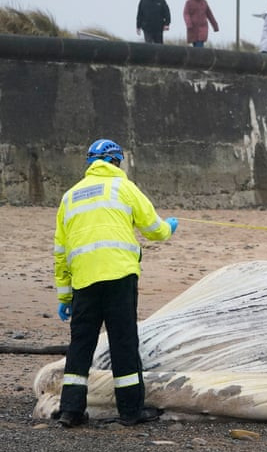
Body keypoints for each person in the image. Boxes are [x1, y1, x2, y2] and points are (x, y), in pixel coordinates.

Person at [53, 139, 179, 427]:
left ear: (91, 163)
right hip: (119, 277)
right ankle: (131, 411)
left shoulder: (70, 197)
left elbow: (60, 252)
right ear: (115, 161)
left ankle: (70, 410)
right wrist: (169, 227)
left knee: (80, 345)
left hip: (83, 281)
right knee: (123, 342)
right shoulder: (124, 188)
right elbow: (154, 230)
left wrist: (64, 296)